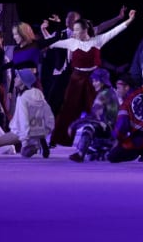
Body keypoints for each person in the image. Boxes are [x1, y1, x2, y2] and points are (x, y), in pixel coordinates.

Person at [48, 10, 136, 145]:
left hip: (94, 79)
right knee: (68, 108)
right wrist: (43, 31)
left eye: (77, 30)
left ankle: (103, 139)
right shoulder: (72, 42)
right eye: (74, 30)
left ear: (85, 30)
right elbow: (52, 44)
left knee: (98, 109)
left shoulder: (98, 41)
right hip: (76, 79)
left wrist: (129, 20)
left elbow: (115, 31)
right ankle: (59, 139)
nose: (74, 32)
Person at [67, 68, 121, 162]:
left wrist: (75, 124)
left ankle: (80, 154)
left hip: (108, 129)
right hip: (113, 132)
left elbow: (93, 116)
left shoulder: (103, 95)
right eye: (93, 81)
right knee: (92, 153)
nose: (93, 83)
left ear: (102, 81)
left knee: (89, 127)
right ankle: (102, 151)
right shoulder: (111, 92)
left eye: (96, 81)